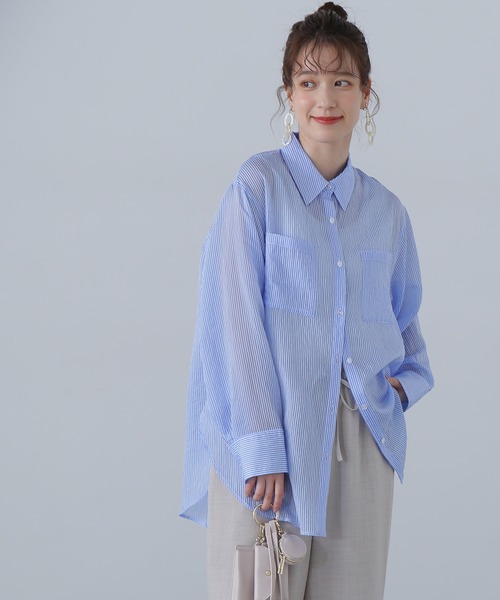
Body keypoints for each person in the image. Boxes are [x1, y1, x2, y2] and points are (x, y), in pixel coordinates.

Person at [180, 3, 433, 599]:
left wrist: (401, 388)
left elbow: (404, 320)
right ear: (289, 94)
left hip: (359, 440)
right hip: (267, 442)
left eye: (342, 81)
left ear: (365, 94)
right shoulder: (257, 186)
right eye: (309, 81)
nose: (326, 98)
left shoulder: (387, 212)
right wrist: (261, 446)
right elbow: (234, 322)